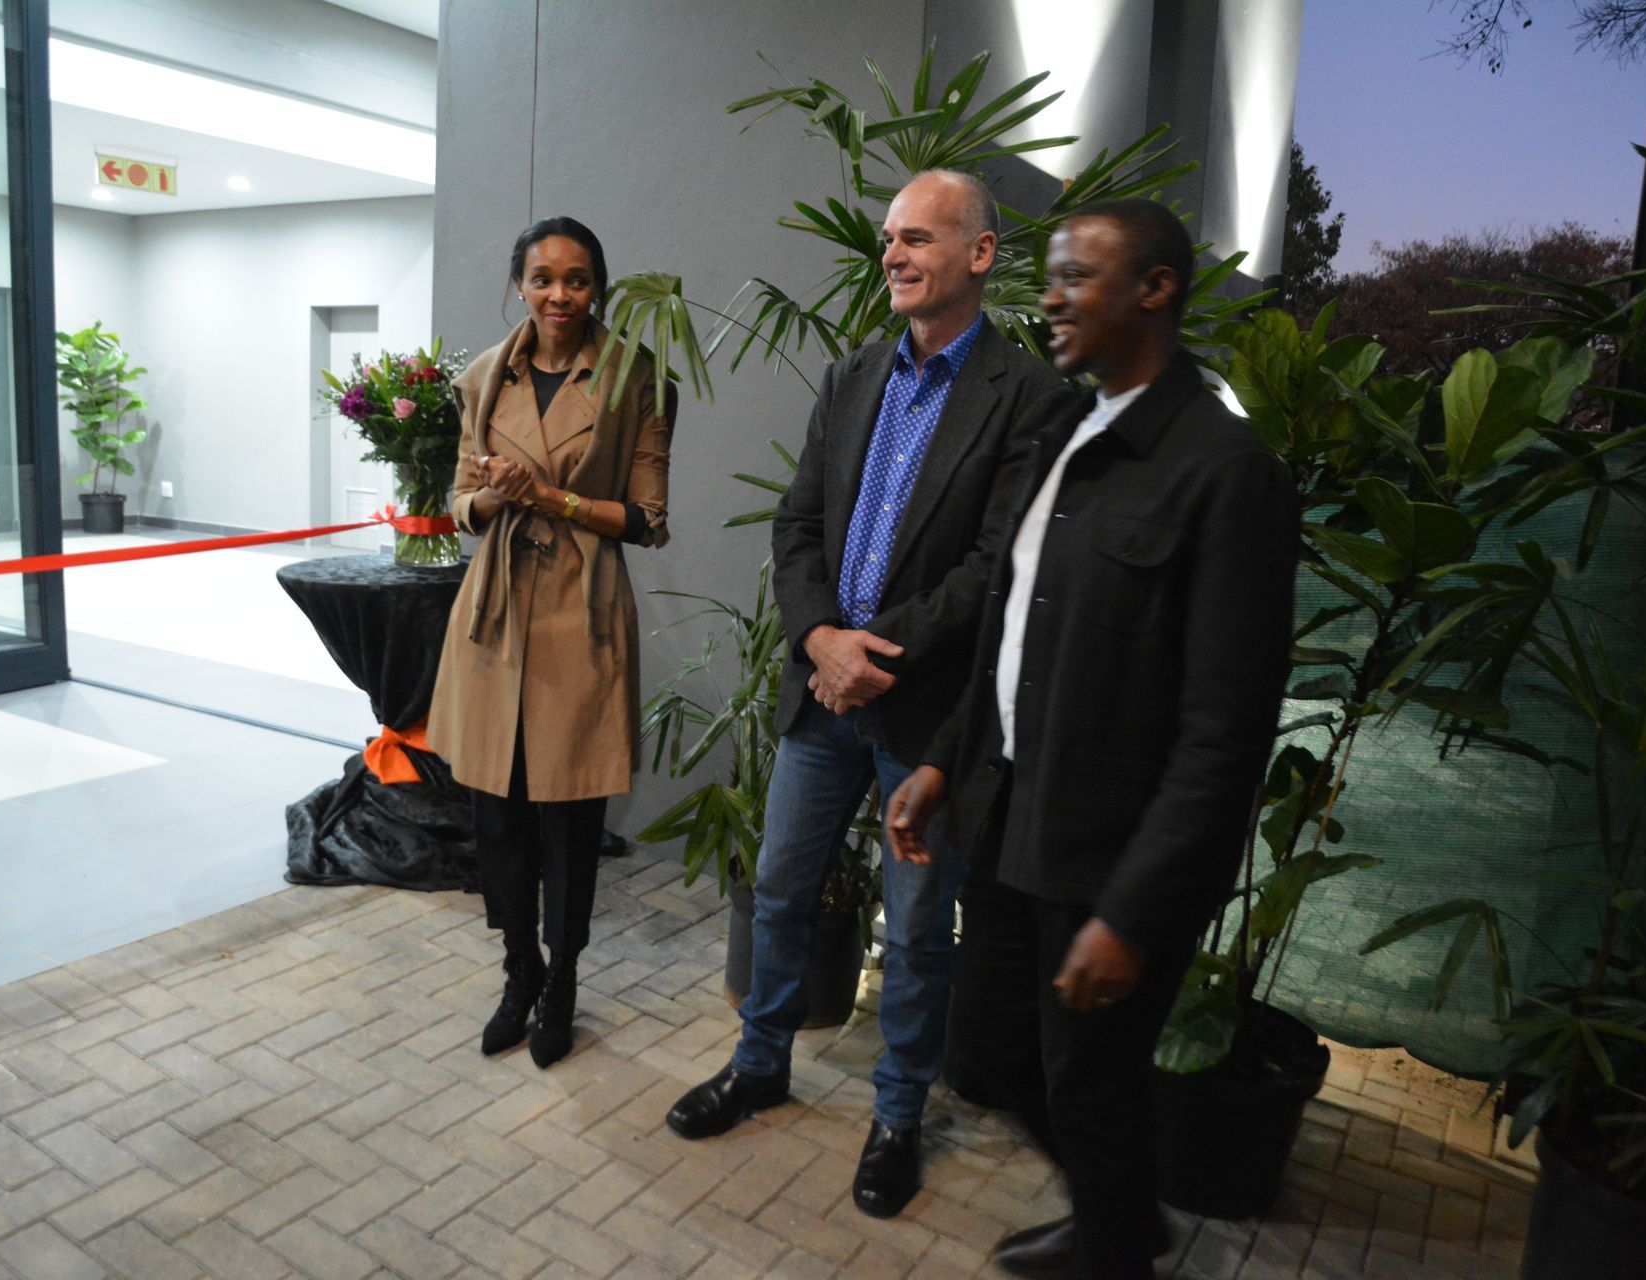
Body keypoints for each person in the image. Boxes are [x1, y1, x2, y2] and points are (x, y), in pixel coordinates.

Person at [884, 200, 1298, 1278]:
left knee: (1091, 1084)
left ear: (1154, 289)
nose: (1051, 297)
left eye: (1076, 277)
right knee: (985, 1054)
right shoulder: (1065, 430)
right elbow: (1009, 643)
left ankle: (1113, 1242)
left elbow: (1225, 730)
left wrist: (1133, 912)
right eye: (1051, 275)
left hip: (1112, 858)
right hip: (1014, 817)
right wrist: (941, 760)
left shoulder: (1225, 469)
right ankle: (1120, 1215)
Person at [664, 170, 1072, 1217]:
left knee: (920, 924)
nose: (892, 253)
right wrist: (816, 637)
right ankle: (761, 1062)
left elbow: (999, 564)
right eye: (890, 237)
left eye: (918, 237)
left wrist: (867, 649)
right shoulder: (853, 376)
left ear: (979, 254)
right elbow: (797, 525)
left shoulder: (1026, 395)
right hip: (822, 695)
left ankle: (897, 1114)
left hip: (926, 713)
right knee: (786, 885)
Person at [429, 216, 673, 1070]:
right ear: (520, 284)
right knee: (496, 813)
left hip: (581, 610)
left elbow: (647, 520)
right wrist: (495, 497)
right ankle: (518, 972)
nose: (559, 295)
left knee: (568, 816)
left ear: (597, 286)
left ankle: (564, 978)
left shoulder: (635, 378)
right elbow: (460, 499)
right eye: (542, 279)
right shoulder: (484, 380)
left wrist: (551, 499)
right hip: (493, 614)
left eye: (576, 279)